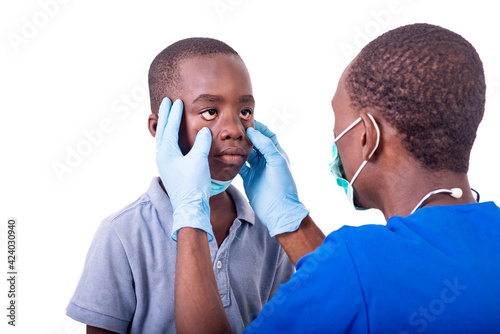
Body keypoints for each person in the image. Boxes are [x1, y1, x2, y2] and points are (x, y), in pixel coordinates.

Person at [159, 24, 500, 333]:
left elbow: (355, 286)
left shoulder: (355, 267)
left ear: (367, 136)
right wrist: (291, 222)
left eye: (339, 125)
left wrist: (189, 216)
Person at [66, 37, 295, 333]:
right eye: (210, 112)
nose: (234, 130)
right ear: (161, 127)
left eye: (245, 112)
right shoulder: (122, 234)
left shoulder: (269, 231)